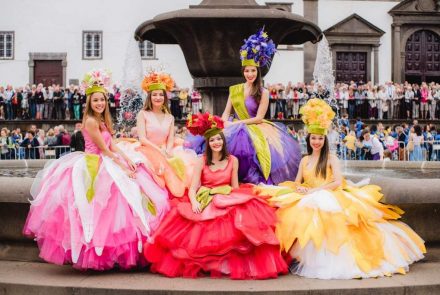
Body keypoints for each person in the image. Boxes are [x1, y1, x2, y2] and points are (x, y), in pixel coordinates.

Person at [256, 98, 425, 279]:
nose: (316, 141)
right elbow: (297, 181)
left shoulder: (331, 158)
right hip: (310, 194)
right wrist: (299, 189)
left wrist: (313, 191)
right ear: (308, 138)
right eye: (313, 138)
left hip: (329, 194)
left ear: (324, 139)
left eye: (320, 138)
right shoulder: (305, 160)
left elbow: (337, 182)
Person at [23, 69, 168, 271]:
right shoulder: (91, 121)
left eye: (102, 100)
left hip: (107, 158)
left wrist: (127, 159)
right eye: (96, 100)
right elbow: (104, 150)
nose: (99, 103)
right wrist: (122, 168)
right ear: (90, 103)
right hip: (95, 162)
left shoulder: (102, 120)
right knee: (99, 208)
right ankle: (96, 252)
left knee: (127, 197)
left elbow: (114, 145)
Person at [144, 113, 288, 279]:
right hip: (206, 198)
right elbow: (193, 188)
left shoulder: (233, 160)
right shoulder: (202, 161)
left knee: (240, 222)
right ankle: (209, 264)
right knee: (200, 230)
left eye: (219, 139)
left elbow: (234, 186)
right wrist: (194, 202)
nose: (216, 142)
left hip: (226, 196)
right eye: (212, 140)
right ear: (208, 143)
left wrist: (237, 202)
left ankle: (229, 264)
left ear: (223, 141)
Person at [188, 28, 301, 184]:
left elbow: (259, 118)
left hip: (254, 126)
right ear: (243, 72)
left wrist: (236, 124)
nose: (250, 74)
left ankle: (246, 180)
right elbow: (226, 113)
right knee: (215, 140)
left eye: (253, 71)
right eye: (247, 71)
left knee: (246, 150)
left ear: (257, 72)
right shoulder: (234, 90)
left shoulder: (263, 92)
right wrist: (221, 125)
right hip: (234, 124)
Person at [123, 71, 197, 198]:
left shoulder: (170, 117)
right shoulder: (143, 114)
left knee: (181, 169)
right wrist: (159, 151)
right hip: (147, 148)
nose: (158, 98)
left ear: (165, 97)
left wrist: (168, 150)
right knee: (158, 173)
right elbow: (142, 138)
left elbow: (170, 138)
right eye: (155, 95)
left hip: (165, 148)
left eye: (161, 95)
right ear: (150, 97)